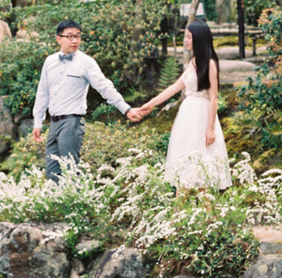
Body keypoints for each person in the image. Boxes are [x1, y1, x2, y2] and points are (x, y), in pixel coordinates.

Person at [32, 19, 139, 181]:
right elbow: (43, 93)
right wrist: (38, 121)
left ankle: (74, 203)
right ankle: (56, 205)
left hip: (72, 122)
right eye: (69, 36)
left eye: (78, 36)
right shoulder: (50, 61)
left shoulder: (86, 62)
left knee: (70, 172)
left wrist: (125, 108)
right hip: (53, 124)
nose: (75, 41)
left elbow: (105, 87)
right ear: (58, 38)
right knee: (52, 173)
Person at [134, 20, 232, 193]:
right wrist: (150, 104)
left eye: (189, 37)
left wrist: (210, 129)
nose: (185, 41)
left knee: (204, 162)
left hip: (202, 115)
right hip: (187, 116)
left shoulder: (210, 63)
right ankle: (182, 211)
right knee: (186, 161)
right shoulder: (193, 62)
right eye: (185, 37)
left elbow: (214, 97)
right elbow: (175, 87)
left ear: (199, 39)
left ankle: (206, 213)